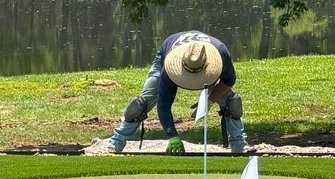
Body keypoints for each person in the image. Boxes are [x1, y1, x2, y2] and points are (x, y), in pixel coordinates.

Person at [105, 31, 247, 154]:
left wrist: (210, 101)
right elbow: (163, 104)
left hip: (206, 64)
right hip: (167, 54)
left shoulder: (221, 52)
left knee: (232, 103)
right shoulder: (169, 68)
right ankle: (115, 143)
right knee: (140, 104)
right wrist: (172, 135)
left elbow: (229, 80)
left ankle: (239, 145)